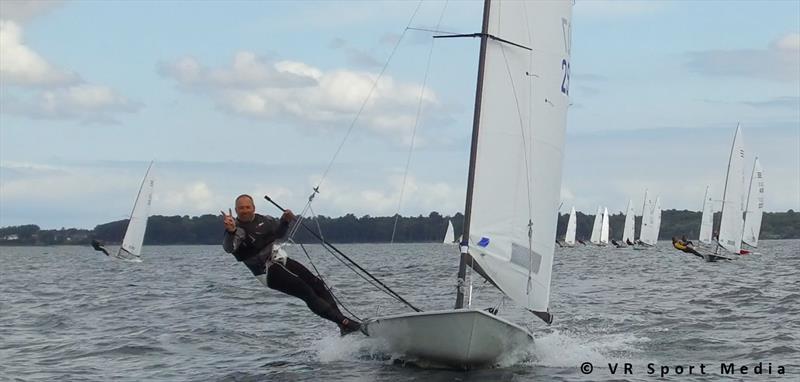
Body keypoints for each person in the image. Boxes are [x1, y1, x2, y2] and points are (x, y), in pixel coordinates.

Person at [222, 194, 361, 335]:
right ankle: (346, 323)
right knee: (306, 291)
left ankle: (342, 324)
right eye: (241, 208)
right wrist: (230, 231)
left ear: (253, 208)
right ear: (236, 210)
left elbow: (279, 233)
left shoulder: (265, 220)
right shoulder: (236, 229)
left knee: (317, 284)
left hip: (279, 259)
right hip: (267, 272)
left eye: (247, 207)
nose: (245, 210)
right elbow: (229, 248)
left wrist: (285, 221)